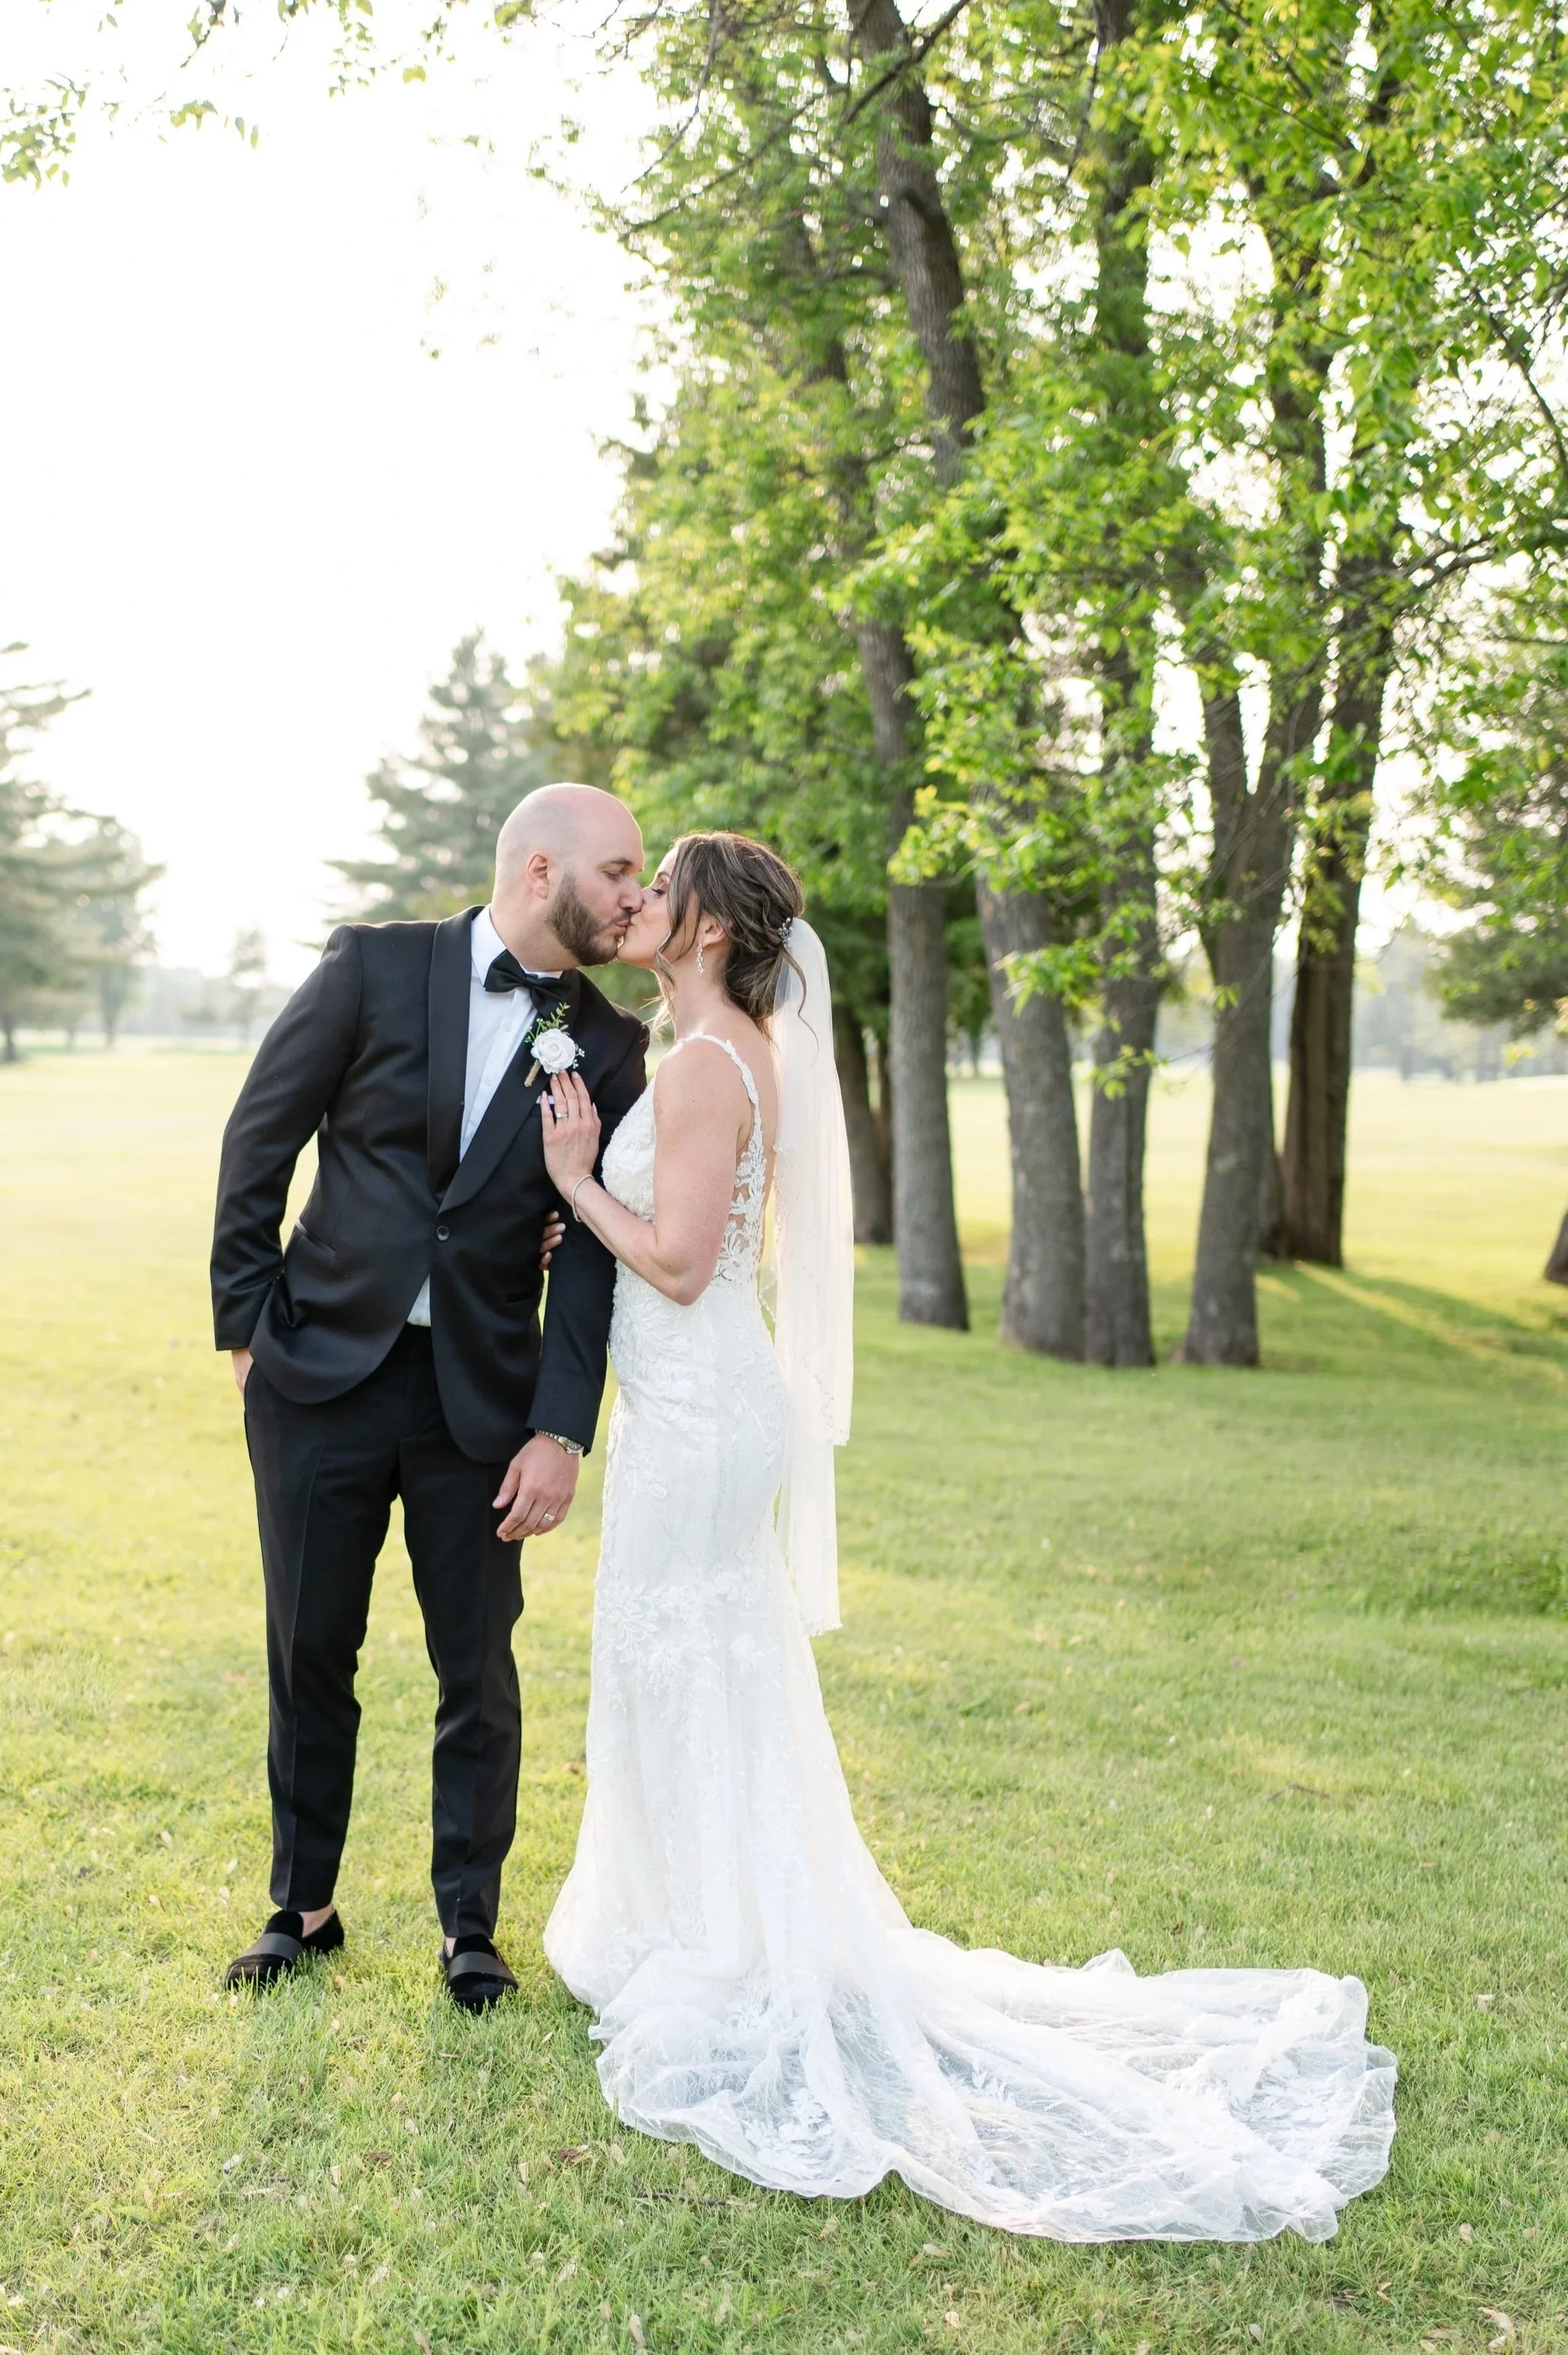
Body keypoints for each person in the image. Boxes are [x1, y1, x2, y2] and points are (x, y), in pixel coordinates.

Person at [535, 830, 1398, 2241]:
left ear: (705, 929)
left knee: (680, 1655)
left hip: (695, 1408)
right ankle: (695, 1916)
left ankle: (717, 1945)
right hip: (700, 1402)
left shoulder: (702, 1064)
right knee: (700, 1659)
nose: (637, 902)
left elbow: (686, 1263)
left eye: (661, 887)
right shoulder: (728, 1045)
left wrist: (580, 1183)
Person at [210, 784, 649, 2011]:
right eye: (619, 870)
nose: (636, 893)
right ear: (540, 867)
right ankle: (302, 1906)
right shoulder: (372, 968)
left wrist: (562, 1428)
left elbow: (599, 1252)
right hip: (317, 1378)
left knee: (478, 1666)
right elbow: (261, 1137)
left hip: (485, 1406)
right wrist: (245, 1325)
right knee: (307, 1648)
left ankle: (472, 1926)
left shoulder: (612, 1045)